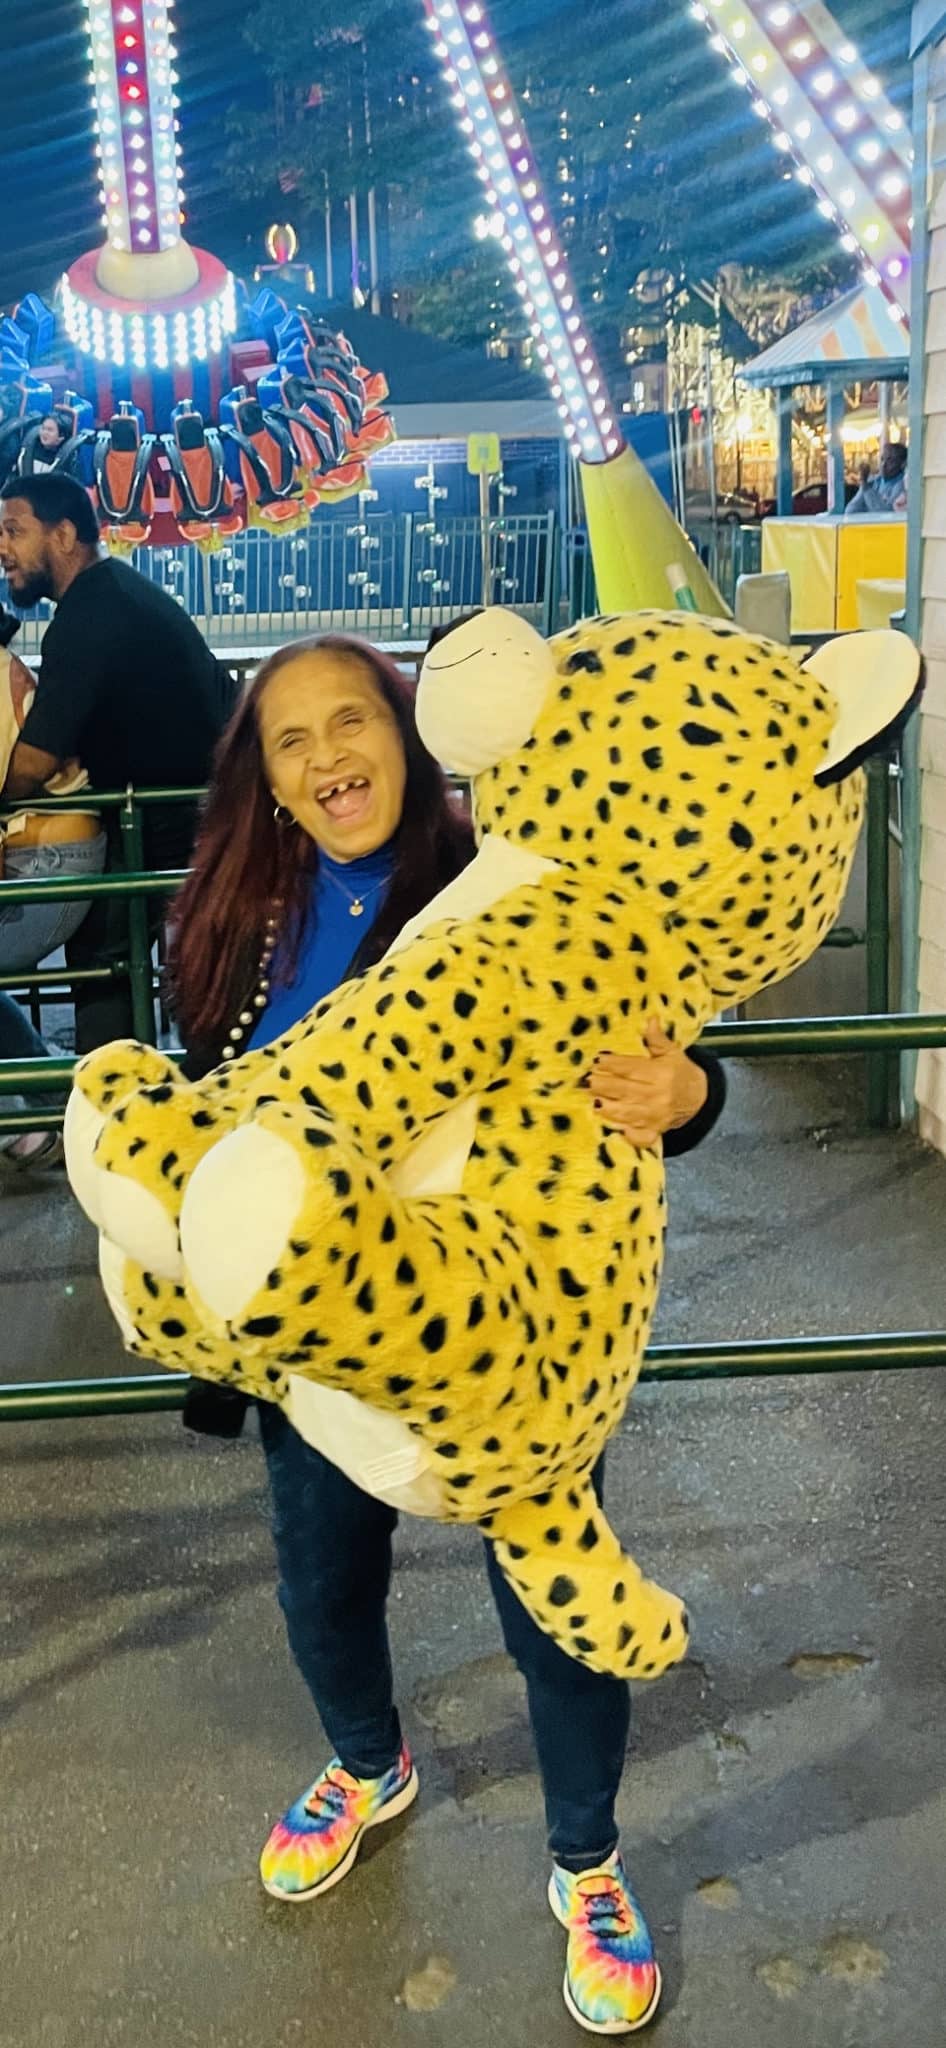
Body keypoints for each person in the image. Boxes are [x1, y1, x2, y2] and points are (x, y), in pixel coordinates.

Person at [166, 628, 726, 2037]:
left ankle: (586, 1858)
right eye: (291, 740)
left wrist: (693, 1093)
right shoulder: (240, 916)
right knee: (320, 1580)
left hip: (507, 1325)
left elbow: (652, 1025)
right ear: (266, 777)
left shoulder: (505, 877)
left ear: (409, 734)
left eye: (350, 722)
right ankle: (369, 1765)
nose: (328, 759)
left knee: (551, 1608)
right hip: (322, 1335)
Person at [0, 472, 237, 1051]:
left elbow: (32, 763)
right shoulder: (117, 594)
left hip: (161, 822)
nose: (3, 549)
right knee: (143, 964)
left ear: (63, 535)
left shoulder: (88, 617)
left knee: (106, 964)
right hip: (198, 809)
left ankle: (107, 1088)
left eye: (14, 531)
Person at [846, 439, 908, 516]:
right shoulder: (873, 481)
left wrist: (866, 487)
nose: (883, 464)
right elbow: (850, 510)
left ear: (902, 464)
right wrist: (864, 483)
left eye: (890, 461)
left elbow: (886, 514)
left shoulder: (903, 485)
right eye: (882, 459)